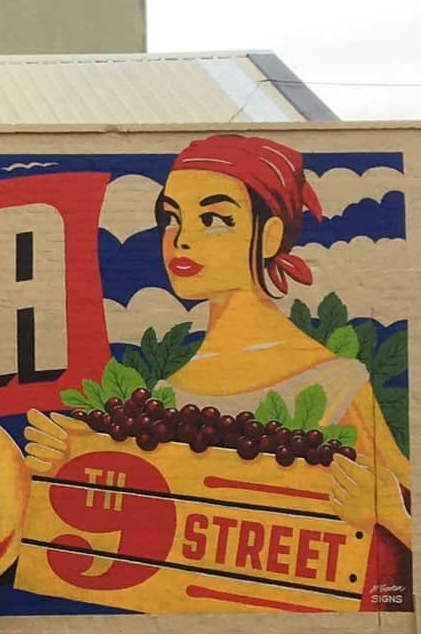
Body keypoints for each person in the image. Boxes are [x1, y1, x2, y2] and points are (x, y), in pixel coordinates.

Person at [25, 133, 410, 602]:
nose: (182, 238)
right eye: (171, 218)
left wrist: (391, 515)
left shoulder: (333, 380)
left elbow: (396, 505)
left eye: (213, 218)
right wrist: (72, 470)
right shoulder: (164, 394)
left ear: (269, 236)